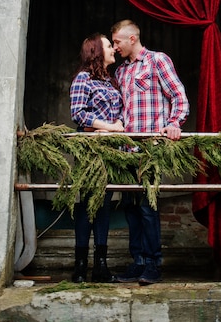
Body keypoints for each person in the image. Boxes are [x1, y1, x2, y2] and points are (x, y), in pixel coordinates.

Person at [111, 19, 189, 285]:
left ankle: (153, 264)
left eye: (117, 42)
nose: (114, 47)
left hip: (150, 149)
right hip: (126, 150)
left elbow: (178, 96)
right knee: (130, 208)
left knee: (147, 206)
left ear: (132, 38)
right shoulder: (121, 72)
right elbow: (122, 110)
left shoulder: (157, 61)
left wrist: (174, 123)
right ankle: (139, 262)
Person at [69, 33, 124, 283]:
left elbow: (120, 112)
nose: (113, 48)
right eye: (108, 45)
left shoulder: (111, 82)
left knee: (104, 205)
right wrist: (109, 127)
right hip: (91, 151)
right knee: (87, 204)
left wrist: (119, 124)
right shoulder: (83, 79)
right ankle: (80, 265)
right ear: (96, 51)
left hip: (112, 151)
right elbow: (78, 114)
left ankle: (100, 264)